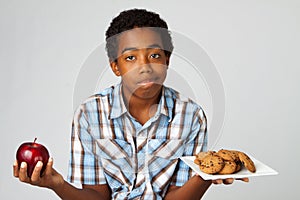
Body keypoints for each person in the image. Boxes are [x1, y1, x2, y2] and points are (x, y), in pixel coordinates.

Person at [13, 8, 248, 200]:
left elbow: (177, 196)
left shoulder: (191, 116)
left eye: (155, 55)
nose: (144, 66)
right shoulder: (90, 114)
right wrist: (57, 185)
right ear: (116, 66)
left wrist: (203, 177)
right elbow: (96, 195)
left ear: (167, 59)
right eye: (130, 58)